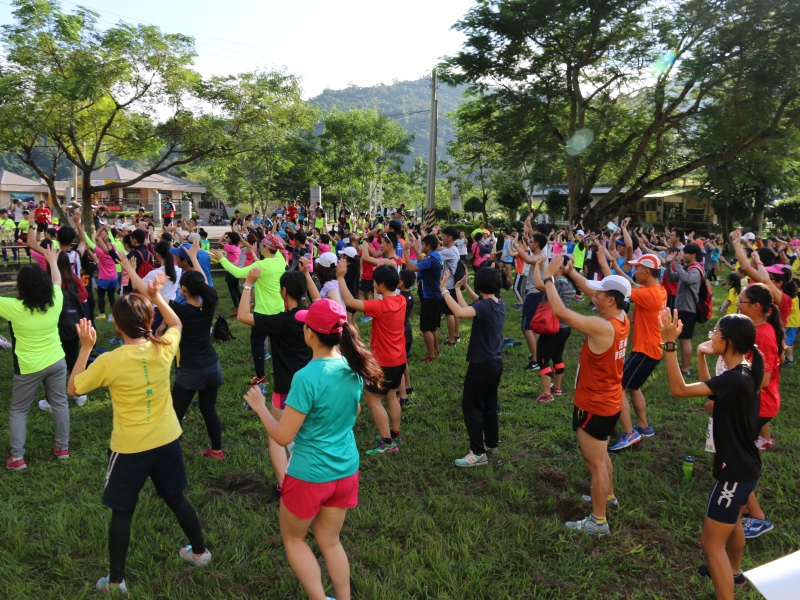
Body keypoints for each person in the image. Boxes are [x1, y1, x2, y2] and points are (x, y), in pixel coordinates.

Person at [68, 276, 211, 592]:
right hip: (167, 439)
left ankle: (116, 581)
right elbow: (176, 323)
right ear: (149, 320)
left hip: (130, 448)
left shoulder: (110, 360)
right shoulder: (163, 347)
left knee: (123, 511)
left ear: (118, 326)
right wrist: (157, 297)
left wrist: (86, 348)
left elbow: (73, 387)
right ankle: (200, 552)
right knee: (175, 497)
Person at [243, 299, 383, 600]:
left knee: (294, 539)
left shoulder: (306, 377)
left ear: (310, 334)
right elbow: (354, 412)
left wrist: (260, 407)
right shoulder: (353, 367)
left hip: (309, 475)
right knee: (330, 542)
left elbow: (282, 437)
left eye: (306, 324)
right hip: (345, 470)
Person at [659, 311, 761, 600]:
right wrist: (702, 356)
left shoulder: (735, 379)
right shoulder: (741, 371)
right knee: (730, 526)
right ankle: (735, 572)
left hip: (735, 474)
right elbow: (712, 395)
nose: (710, 336)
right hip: (746, 467)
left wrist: (669, 346)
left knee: (710, 542)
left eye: (715, 333)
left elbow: (679, 390)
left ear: (728, 342)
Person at [549, 258, 631, 536]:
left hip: (594, 404)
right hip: (608, 401)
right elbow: (589, 290)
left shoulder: (603, 326)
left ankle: (598, 521)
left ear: (610, 300)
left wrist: (549, 278)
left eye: (598, 294)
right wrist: (571, 272)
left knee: (594, 462)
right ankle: (607, 496)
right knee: (601, 455)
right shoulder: (621, 318)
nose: (592, 295)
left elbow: (561, 312)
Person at [238, 267, 312, 494]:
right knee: (307, 435)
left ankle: (285, 487)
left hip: (286, 389)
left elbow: (242, 316)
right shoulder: (313, 316)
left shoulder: (281, 321)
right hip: (312, 387)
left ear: (283, 292)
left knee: (277, 436)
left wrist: (249, 284)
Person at [4, 247, 70, 471]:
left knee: (19, 411)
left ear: (21, 287)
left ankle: (17, 458)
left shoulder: (13, 308)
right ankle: (62, 448)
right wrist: (52, 262)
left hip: (29, 366)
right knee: (60, 404)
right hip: (57, 361)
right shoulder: (56, 299)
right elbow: (57, 280)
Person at [602, 247, 667, 451]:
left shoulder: (648, 295)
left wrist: (607, 267)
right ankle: (644, 427)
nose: (634, 271)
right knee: (633, 386)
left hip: (646, 351)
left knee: (618, 387)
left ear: (647, 272)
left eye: (637, 268)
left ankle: (629, 433)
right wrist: (616, 267)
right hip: (651, 350)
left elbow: (621, 288)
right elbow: (632, 284)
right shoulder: (659, 290)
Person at [338, 261, 407, 455]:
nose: (373, 285)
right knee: (391, 395)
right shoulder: (401, 301)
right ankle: (395, 434)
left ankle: (387, 443)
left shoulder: (381, 306)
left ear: (382, 285)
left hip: (383, 362)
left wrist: (341, 277)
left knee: (373, 400)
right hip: (399, 359)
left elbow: (351, 303)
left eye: (375, 282)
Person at [441, 267, 505, 467]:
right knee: (489, 405)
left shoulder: (485, 306)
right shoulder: (498, 302)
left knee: (472, 408)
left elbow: (460, 312)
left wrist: (444, 290)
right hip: (495, 363)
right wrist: (460, 288)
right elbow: (468, 309)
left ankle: (477, 452)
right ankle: (491, 444)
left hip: (481, 365)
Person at [211, 234, 286, 387]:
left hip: (262, 313)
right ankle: (281, 373)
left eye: (262, 246)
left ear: (265, 248)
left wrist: (222, 259)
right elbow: (276, 250)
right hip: (279, 310)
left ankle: (260, 376)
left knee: (257, 344)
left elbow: (239, 273)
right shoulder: (281, 261)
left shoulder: (261, 266)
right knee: (278, 343)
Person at [529, 254, 572, 402]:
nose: (551, 264)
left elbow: (539, 285)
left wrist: (536, 268)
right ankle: (557, 387)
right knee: (557, 356)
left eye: (554, 262)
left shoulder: (557, 284)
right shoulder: (567, 282)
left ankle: (547, 394)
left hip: (553, 328)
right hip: (565, 328)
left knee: (543, 360)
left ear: (560, 267)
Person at [665, 243, 703, 375]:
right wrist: (668, 264)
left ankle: (686, 369)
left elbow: (686, 279)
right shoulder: (687, 268)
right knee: (678, 337)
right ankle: (682, 365)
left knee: (684, 339)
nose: (683, 255)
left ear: (693, 255)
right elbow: (672, 277)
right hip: (681, 308)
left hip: (688, 309)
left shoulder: (696, 270)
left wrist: (676, 261)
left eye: (685, 253)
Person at [403, 234, 443, 363]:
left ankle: (431, 356)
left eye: (423, 245)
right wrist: (414, 249)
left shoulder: (430, 260)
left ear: (428, 246)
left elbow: (412, 267)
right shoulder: (435, 256)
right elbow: (423, 262)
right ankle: (436, 350)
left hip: (429, 297)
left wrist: (405, 252)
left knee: (426, 328)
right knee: (432, 328)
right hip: (436, 296)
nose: (422, 246)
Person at [515, 233, 549, 371]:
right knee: (532, 326)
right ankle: (537, 356)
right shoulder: (540, 256)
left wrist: (517, 245)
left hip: (534, 294)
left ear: (538, 244)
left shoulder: (540, 257)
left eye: (532, 241)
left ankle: (535, 361)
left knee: (526, 327)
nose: (529, 242)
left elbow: (528, 260)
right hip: (536, 294)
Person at [397, 269, 416, 405]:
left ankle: (403, 392)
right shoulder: (410, 296)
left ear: (402, 283)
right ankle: (407, 385)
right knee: (404, 361)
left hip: (401, 332)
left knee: (399, 363)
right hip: (407, 330)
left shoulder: (399, 299)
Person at [219, 231, 242, 315]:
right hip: (236, 269)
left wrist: (224, 234)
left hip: (230, 270)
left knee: (231, 289)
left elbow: (219, 242)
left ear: (231, 239)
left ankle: (236, 305)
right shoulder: (237, 247)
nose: (226, 238)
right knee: (236, 288)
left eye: (228, 237)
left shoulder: (231, 247)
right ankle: (241, 303)